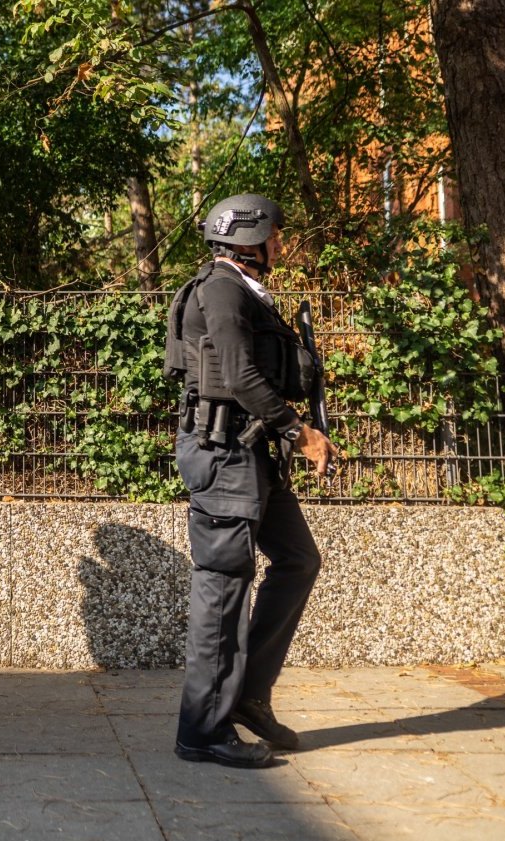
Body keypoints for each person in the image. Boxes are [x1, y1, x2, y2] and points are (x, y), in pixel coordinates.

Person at [168, 194, 336, 768]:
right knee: (223, 585)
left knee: (298, 560)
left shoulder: (245, 291)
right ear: (252, 239)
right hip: (224, 453)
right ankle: (202, 731)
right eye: (275, 235)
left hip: (253, 452)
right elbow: (238, 374)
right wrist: (302, 432)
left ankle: (246, 696)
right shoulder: (220, 289)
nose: (281, 244)